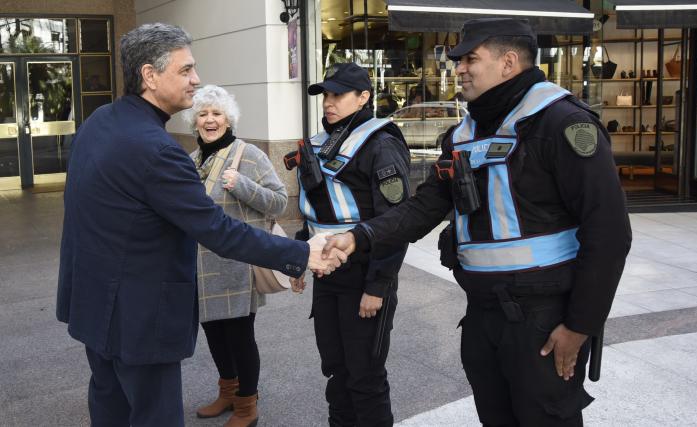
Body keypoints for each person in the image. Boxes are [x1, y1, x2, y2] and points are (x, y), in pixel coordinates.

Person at [324, 18, 632, 426]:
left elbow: (609, 233)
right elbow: (423, 207)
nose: (459, 68)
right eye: (458, 60)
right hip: (484, 315)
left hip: (544, 321)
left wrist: (580, 326)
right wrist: (358, 237)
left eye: (471, 58)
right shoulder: (464, 134)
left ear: (508, 63)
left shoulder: (560, 123)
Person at [56, 23, 344, 427]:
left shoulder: (100, 121)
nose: (196, 80)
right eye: (186, 70)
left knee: (110, 407)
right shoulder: (158, 150)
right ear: (150, 76)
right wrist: (302, 253)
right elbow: (217, 230)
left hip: (94, 304)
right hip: (139, 318)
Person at [288, 62, 411, 427]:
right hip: (327, 276)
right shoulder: (320, 143)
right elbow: (316, 211)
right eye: (326, 94)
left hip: (364, 278)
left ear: (363, 97)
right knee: (337, 372)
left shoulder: (381, 145)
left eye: (338, 94)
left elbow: (395, 224)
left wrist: (378, 287)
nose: (329, 102)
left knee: (365, 377)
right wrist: (298, 259)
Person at [184, 85, 286, 426]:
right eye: (202, 113)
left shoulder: (248, 154)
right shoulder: (192, 159)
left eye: (216, 113)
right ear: (193, 121)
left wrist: (241, 183)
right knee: (214, 334)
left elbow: (280, 200)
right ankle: (227, 392)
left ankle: (247, 405)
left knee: (240, 336)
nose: (209, 120)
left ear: (229, 119)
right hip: (200, 265)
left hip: (236, 264)